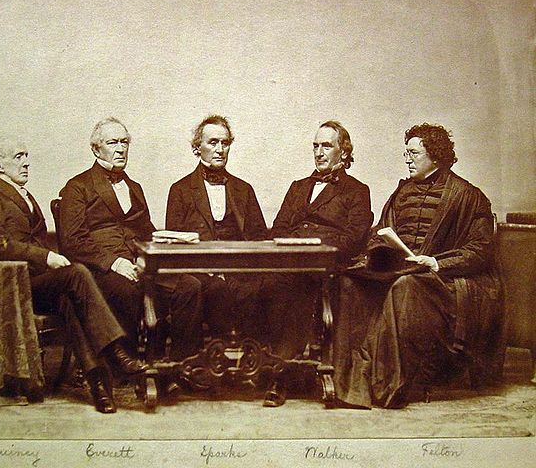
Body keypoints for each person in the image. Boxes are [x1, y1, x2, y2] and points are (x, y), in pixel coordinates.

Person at [0, 137, 148, 414]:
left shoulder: (26, 197)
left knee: (72, 302)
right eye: (18, 157)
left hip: (39, 284)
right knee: (76, 273)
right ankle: (118, 352)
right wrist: (46, 257)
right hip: (13, 286)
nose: (26, 162)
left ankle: (99, 387)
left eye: (26, 155)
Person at [334, 122, 504, 409]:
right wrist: (381, 253)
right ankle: (350, 386)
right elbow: (380, 234)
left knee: (406, 287)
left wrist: (436, 262)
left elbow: (481, 250)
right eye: (406, 153)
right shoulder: (401, 193)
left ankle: (386, 385)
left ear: (435, 156)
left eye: (413, 153)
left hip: (443, 284)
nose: (407, 159)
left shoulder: (467, 195)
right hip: (403, 272)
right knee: (350, 283)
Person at [58, 117, 204, 366]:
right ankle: (128, 365)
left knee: (190, 286)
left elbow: (146, 232)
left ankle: (181, 365)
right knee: (126, 290)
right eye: (112, 142)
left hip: (139, 264)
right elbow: (72, 241)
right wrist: (114, 263)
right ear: (96, 149)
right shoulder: (77, 187)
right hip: (101, 270)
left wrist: (156, 250)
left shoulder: (134, 187)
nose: (120, 148)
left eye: (124, 142)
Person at [263, 120, 373, 406]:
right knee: (266, 284)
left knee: (300, 287)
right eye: (316, 146)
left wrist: (317, 250)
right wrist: (293, 249)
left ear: (344, 152)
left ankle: (280, 376)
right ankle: (270, 367)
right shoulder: (298, 187)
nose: (319, 152)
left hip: (329, 268)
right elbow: (278, 229)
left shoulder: (357, 191)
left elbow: (354, 238)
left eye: (327, 146)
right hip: (291, 263)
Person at [165, 115, 268, 338]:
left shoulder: (244, 189)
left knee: (264, 289)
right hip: (200, 271)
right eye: (213, 143)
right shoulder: (180, 190)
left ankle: (250, 365)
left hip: (239, 272)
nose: (220, 149)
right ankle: (204, 364)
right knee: (215, 290)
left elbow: (259, 236)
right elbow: (174, 245)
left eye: (225, 143)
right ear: (196, 148)